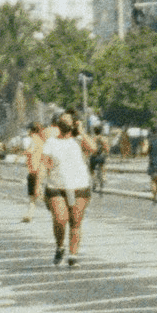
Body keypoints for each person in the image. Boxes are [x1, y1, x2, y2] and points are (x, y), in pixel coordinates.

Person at [37, 110, 91, 264]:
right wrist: (39, 185)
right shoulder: (51, 142)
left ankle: (73, 255)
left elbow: (93, 148)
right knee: (60, 219)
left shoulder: (80, 140)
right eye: (61, 119)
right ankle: (60, 246)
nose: (63, 121)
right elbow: (44, 164)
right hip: (56, 187)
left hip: (80, 187)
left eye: (67, 119)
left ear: (74, 123)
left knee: (75, 222)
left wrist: (82, 132)